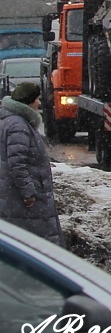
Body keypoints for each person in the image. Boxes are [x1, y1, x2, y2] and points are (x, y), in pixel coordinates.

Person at [0, 82, 62, 246]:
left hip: (16, 198)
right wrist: (28, 192)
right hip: (24, 201)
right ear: (28, 101)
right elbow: (17, 163)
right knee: (37, 245)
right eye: (37, 99)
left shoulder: (13, 121)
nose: (39, 103)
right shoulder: (18, 125)